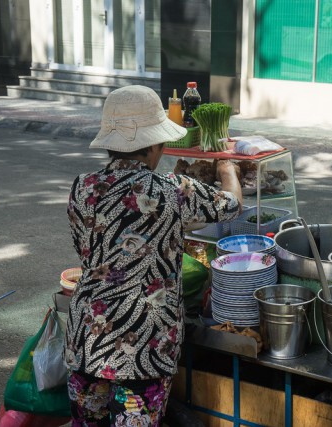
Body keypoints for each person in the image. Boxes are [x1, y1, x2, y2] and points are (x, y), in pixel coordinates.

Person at [64, 85, 242, 426]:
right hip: (145, 348)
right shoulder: (171, 189)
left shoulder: (81, 186)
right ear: (155, 147)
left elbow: (86, 249)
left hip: (87, 340)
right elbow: (231, 205)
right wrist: (227, 168)